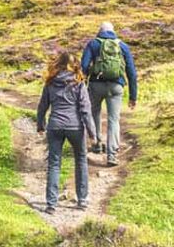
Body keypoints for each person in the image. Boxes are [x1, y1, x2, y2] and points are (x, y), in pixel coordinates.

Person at [37, 51, 97, 214]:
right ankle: (82, 200)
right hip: (75, 127)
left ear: (58, 64)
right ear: (74, 64)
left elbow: (43, 106)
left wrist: (40, 125)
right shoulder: (79, 83)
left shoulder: (50, 83)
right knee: (81, 160)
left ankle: (51, 204)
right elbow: (85, 110)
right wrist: (92, 134)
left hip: (55, 126)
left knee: (54, 163)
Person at [80, 22, 138, 166]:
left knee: (94, 113)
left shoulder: (93, 44)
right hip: (116, 86)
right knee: (113, 120)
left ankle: (97, 143)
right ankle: (112, 155)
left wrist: (80, 86)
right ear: (113, 31)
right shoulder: (122, 46)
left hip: (95, 85)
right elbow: (131, 72)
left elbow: (84, 66)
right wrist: (133, 96)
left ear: (99, 31)